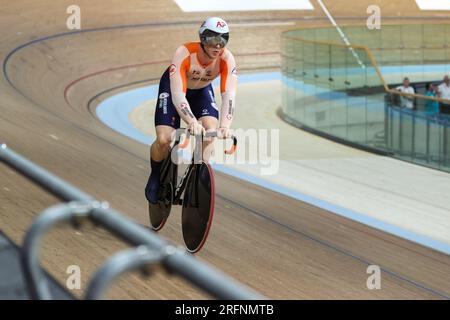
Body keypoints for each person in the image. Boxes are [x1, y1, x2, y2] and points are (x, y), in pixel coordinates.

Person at [145, 17, 237, 204]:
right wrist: (192, 122)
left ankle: (197, 178)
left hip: (201, 91)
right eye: (213, 39)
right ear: (203, 39)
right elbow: (178, 95)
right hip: (174, 90)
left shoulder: (227, 58)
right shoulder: (184, 52)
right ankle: (155, 175)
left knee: (210, 133)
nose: (218, 46)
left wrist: (225, 125)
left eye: (224, 40)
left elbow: (230, 95)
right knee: (164, 139)